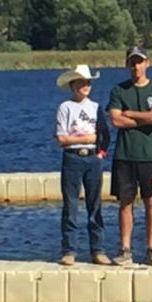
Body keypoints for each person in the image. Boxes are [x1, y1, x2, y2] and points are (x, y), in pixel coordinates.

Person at [107, 45, 152, 266]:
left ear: (147, 63)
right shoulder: (119, 90)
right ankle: (125, 249)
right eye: (132, 62)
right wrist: (145, 118)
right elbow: (115, 120)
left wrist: (130, 114)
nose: (136, 66)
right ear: (127, 65)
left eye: (140, 61)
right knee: (125, 202)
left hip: (150, 155)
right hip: (125, 155)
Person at [54, 63, 111, 266]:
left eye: (87, 82)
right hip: (72, 157)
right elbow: (61, 138)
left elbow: (104, 135)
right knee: (71, 205)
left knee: (95, 205)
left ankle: (98, 249)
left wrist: (100, 152)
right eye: (80, 83)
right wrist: (87, 139)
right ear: (72, 85)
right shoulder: (65, 108)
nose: (84, 86)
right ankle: (69, 250)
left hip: (93, 159)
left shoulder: (95, 107)